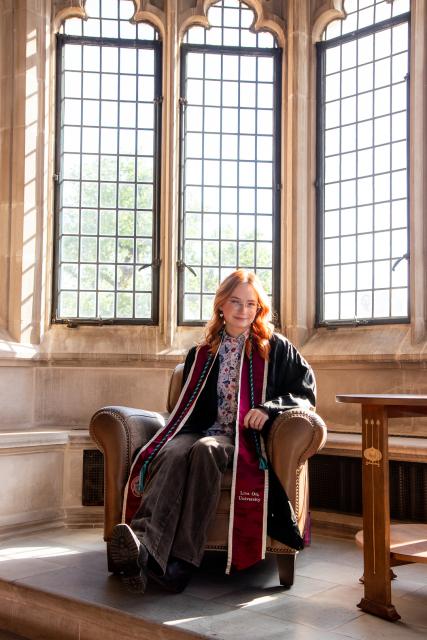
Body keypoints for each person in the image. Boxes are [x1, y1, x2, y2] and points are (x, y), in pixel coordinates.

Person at [110, 269, 316, 594]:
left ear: (259, 308)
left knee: (205, 449)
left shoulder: (275, 349)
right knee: (173, 451)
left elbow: (305, 391)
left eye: (251, 304)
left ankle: (181, 564)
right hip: (202, 428)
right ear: (222, 304)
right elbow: (188, 409)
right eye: (235, 301)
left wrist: (268, 408)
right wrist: (174, 435)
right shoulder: (202, 354)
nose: (243, 310)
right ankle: (142, 546)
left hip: (242, 438)